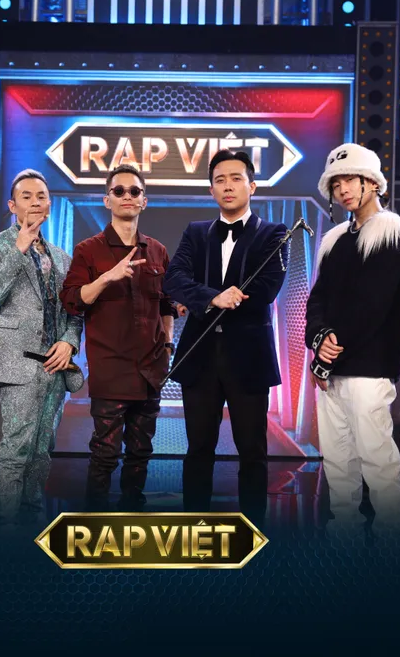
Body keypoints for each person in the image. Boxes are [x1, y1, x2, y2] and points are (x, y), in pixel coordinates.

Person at [163, 150, 289, 524]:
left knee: (252, 451)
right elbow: (174, 279)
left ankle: (254, 531)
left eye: (236, 178)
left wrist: (211, 296)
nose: (228, 186)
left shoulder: (274, 233)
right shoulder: (195, 232)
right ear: (211, 190)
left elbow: (266, 289)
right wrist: (213, 297)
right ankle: (193, 529)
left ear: (252, 186)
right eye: (220, 180)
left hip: (249, 357)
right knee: (198, 449)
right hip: (200, 356)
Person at [305, 143, 400, 537]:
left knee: (377, 460)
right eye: (335, 184)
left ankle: (390, 542)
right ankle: (342, 537)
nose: (342, 189)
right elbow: (317, 300)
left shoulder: (389, 228)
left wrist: (329, 350)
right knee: (337, 460)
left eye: (349, 180)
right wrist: (319, 340)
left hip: (368, 366)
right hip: (331, 367)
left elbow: (373, 304)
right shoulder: (334, 239)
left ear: (372, 182)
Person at [60, 164, 177, 511]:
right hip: (111, 369)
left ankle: (132, 515)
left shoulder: (157, 250)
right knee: (105, 452)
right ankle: (95, 519)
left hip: (151, 370)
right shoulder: (89, 250)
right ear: (107, 200)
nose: (127, 196)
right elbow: (72, 300)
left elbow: (167, 304)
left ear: (144, 201)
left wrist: (167, 343)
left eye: (134, 191)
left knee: (141, 452)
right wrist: (106, 278)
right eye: (119, 191)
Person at [0, 169, 83, 527]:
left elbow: (74, 312)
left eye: (41, 196)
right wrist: (19, 248)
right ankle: (4, 530)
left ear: (50, 205)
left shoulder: (62, 256)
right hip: (17, 362)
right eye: (27, 197)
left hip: (55, 365)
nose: (35, 202)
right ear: (12, 205)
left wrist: (69, 342)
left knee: (42, 450)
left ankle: (31, 524)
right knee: (16, 449)